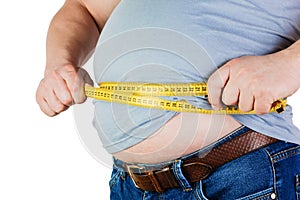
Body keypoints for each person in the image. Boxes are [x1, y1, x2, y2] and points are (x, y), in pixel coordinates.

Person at [36, 0, 300, 199]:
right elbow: (85, 9)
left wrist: (286, 64)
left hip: (242, 174)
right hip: (130, 185)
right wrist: (59, 64)